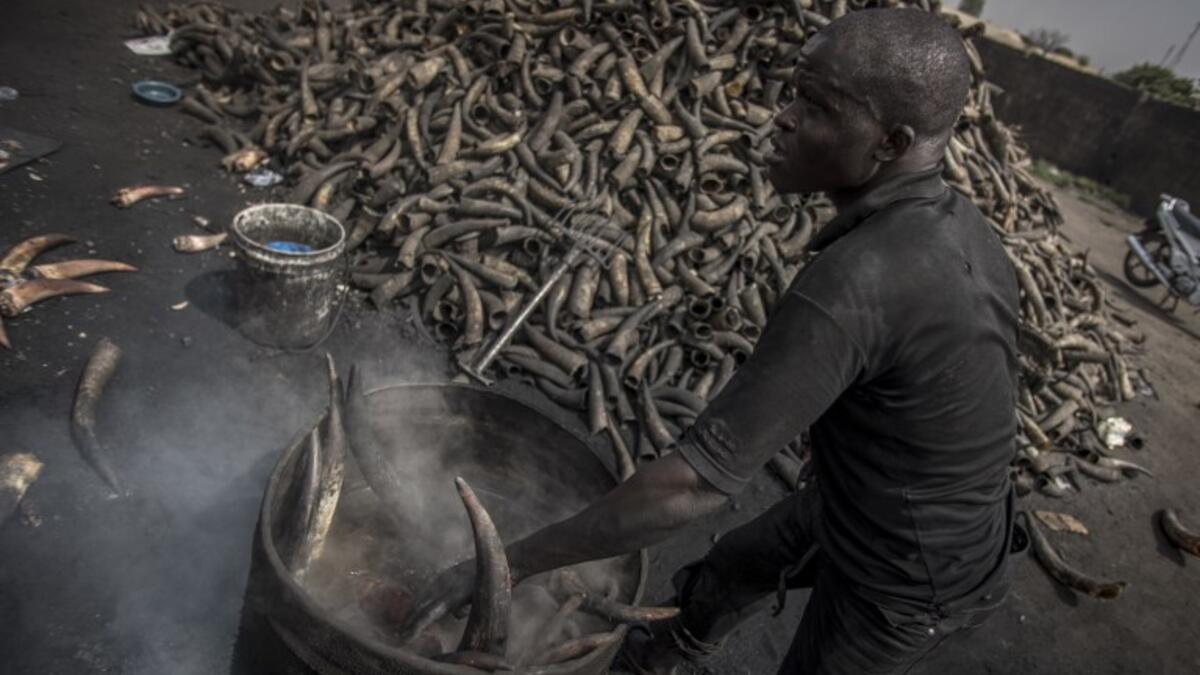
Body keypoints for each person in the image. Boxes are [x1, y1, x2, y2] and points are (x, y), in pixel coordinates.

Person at [406, 8, 1021, 674]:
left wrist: (505, 561)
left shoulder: (860, 281)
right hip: (857, 502)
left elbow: (689, 490)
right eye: (794, 91)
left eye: (815, 106)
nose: (781, 117)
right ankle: (659, 657)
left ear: (890, 142)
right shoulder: (952, 225)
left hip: (908, 568)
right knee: (728, 571)